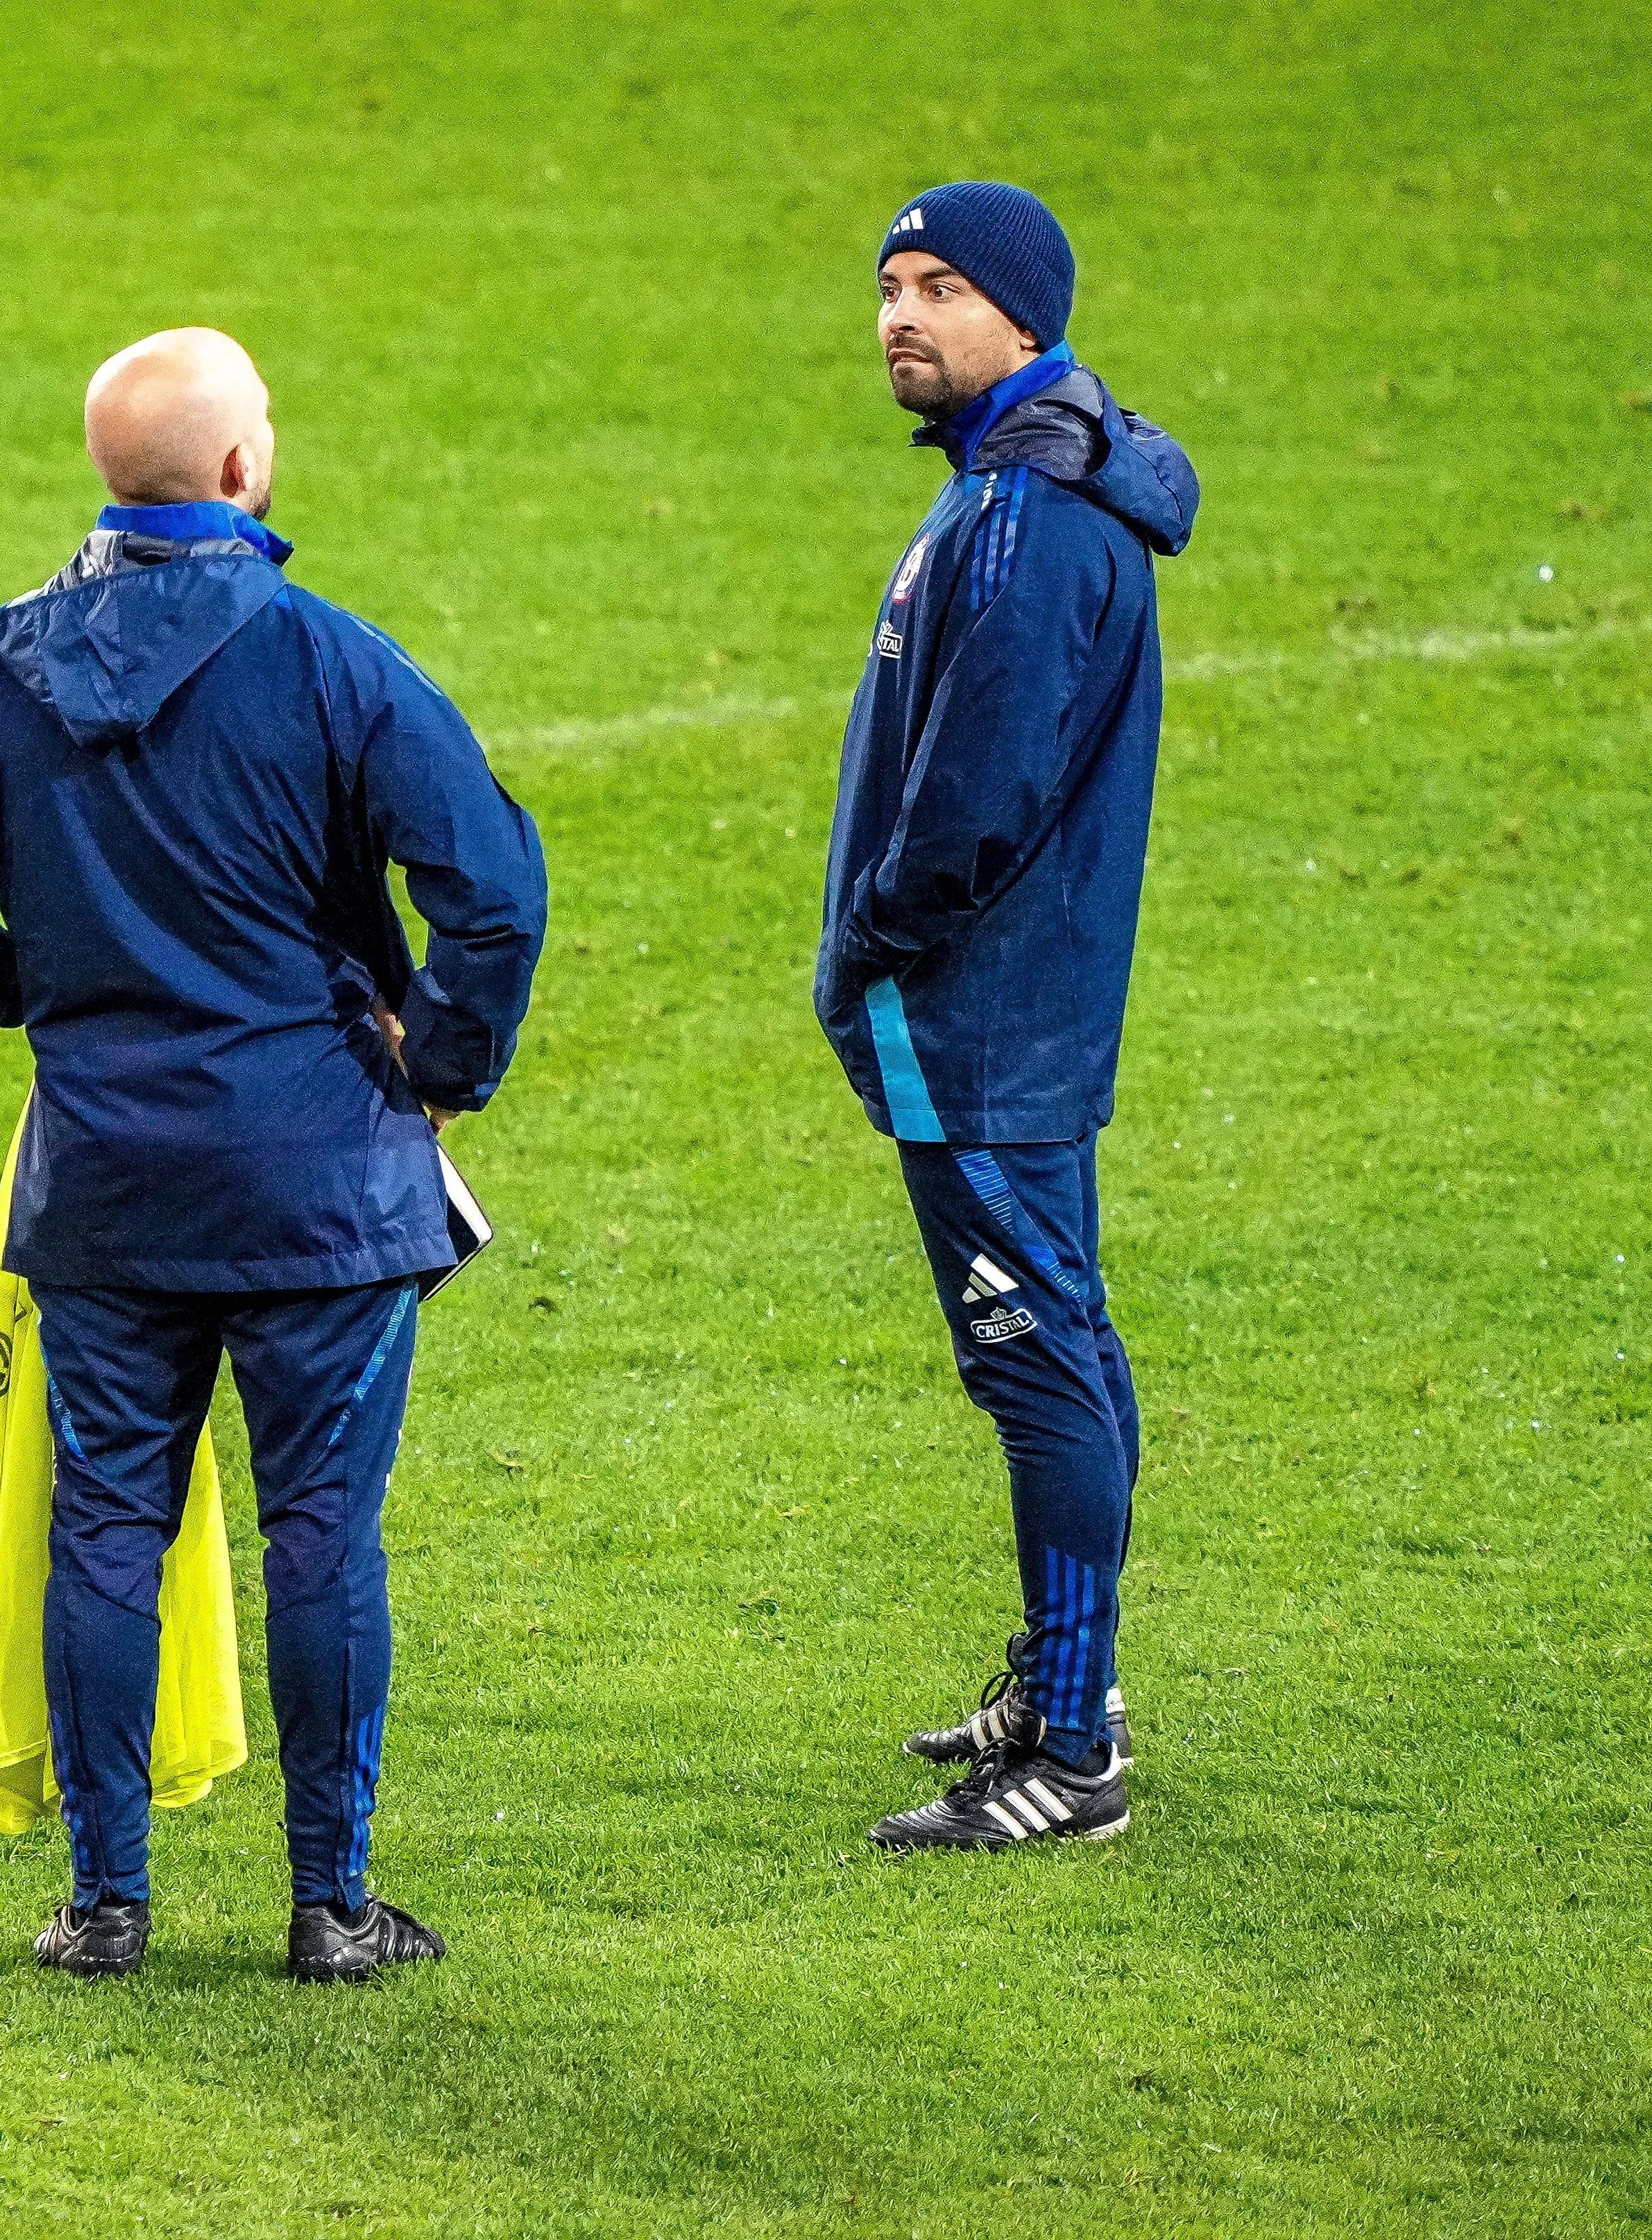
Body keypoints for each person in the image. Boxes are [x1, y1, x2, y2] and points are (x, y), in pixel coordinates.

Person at [0, 329, 547, 1978]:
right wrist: (440, 1061)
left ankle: (104, 1906)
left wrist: (44, 997)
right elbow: (492, 892)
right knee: (319, 1535)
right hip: (322, 1188)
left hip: (106, 1187)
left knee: (102, 1528)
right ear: (240, 471)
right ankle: (329, 1903)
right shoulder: (330, 662)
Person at [815, 187, 1199, 1850]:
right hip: (1012, 1007)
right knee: (1063, 1339)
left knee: (1032, 1360)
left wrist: (870, 945)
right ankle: (1065, 1674)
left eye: (941, 287)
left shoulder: (1026, 524)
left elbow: (976, 795)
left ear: (1021, 318)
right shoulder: (1008, 488)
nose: (902, 315)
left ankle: (1071, 1755)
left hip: (975, 1015)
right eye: (890, 287)